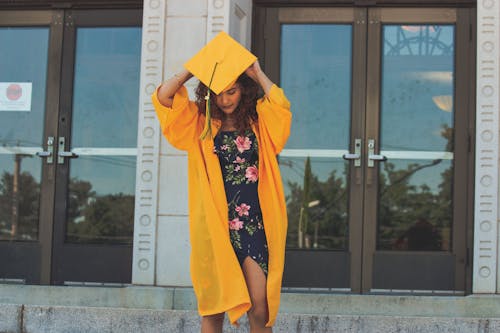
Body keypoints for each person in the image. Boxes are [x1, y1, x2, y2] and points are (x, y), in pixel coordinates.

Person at [151, 32, 291, 333]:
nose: (225, 100)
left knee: (260, 306)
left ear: (244, 91)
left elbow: (280, 106)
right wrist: (192, 68)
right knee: (213, 308)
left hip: (254, 221)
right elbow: (164, 97)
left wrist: (256, 71)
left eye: (232, 92)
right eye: (218, 93)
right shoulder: (200, 125)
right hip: (215, 224)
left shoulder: (259, 123)